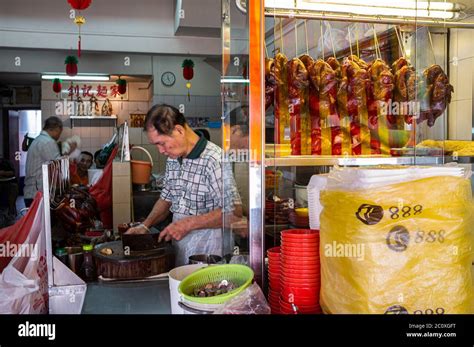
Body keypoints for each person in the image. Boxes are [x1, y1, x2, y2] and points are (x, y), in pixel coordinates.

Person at [126, 104, 241, 266]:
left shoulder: (214, 160)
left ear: (179, 131)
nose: (160, 151)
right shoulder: (173, 159)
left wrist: (188, 224)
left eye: (162, 143)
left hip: (211, 250)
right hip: (182, 245)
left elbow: (234, 212)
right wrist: (145, 226)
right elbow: (166, 199)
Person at [24, 116, 76, 207]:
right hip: (37, 194)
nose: (59, 136)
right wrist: (69, 152)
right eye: (59, 133)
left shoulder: (39, 140)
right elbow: (57, 166)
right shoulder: (47, 142)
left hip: (32, 192)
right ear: (55, 129)